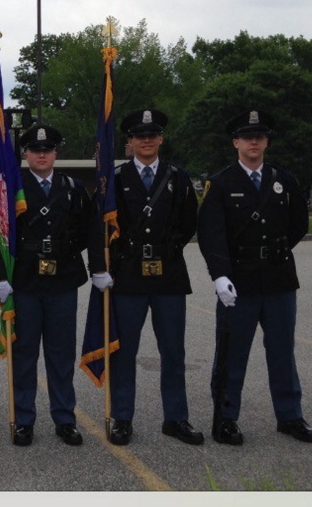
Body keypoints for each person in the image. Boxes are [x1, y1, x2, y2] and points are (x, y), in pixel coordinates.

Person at [197, 110, 312, 446]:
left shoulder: (284, 180)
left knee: (282, 351)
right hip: (239, 281)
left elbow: (298, 225)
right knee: (232, 354)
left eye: (260, 136)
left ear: (266, 141)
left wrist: (273, 253)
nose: (254, 142)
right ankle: (225, 418)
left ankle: (290, 416)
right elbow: (211, 233)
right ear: (235, 142)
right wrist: (220, 275)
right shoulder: (220, 183)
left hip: (279, 280)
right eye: (247, 136)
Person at [88, 109, 203, 446]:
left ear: (161, 139)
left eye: (153, 135)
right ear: (130, 141)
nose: (147, 140)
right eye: (140, 136)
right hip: (128, 277)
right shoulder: (115, 181)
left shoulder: (178, 177)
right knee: (124, 353)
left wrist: (167, 248)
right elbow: (99, 226)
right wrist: (99, 269)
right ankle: (122, 418)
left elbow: (188, 221)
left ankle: (176, 418)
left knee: (173, 351)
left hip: (168, 275)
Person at [0, 124, 92, 447]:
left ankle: (64, 418)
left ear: (55, 153)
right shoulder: (12, 190)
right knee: (25, 353)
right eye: (35, 150)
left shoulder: (73, 188)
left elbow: (89, 232)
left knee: (61, 354)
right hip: (26, 281)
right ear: (26, 155)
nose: (42, 155)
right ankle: (24, 419)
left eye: (47, 150)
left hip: (62, 280)